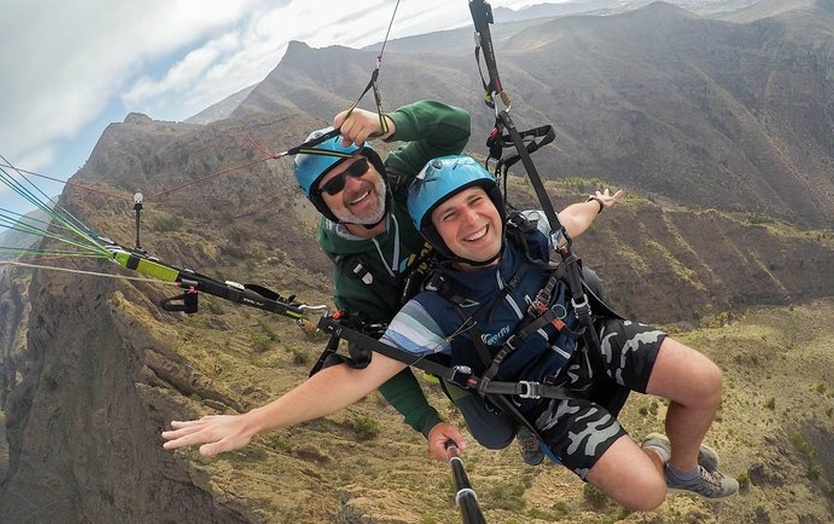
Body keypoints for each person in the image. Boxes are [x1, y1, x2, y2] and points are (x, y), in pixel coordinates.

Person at [163, 155, 738, 510]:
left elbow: (569, 221)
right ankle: (664, 462)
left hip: (592, 339)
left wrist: (597, 202)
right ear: (434, 234)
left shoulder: (526, 234)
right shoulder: (432, 309)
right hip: (547, 400)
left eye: (475, 202)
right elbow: (354, 378)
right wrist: (252, 420)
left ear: (493, 200)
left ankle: (686, 466)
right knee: (646, 494)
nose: (471, 221)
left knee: (703, 381)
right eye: (449, 216)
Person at [290, 101, 542, 463]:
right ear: (322, 203)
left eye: (359, 167)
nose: (354, 185)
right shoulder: (354, 279)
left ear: (374, 164)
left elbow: (455, 126)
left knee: (584, 299)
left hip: (502, 287)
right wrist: (428, 422)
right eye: (334, 185)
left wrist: (387, 124)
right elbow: (380, 355)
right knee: (493, 434)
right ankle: (527, 425)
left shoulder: (402, 176)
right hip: (457, 344)